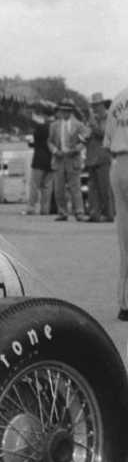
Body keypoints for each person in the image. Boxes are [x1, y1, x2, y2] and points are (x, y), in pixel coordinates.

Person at [103, 83, 128, 319]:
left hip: (120, 164)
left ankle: (125, 303)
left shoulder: (118, 99)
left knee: (125, 236)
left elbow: (108, 142)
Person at [48, 99, 87, 221]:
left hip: (72, 158)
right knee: (59, 188)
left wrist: (75, 150)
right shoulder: (54, 125)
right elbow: (49, 142)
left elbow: (84, 141)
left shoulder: (79, 125)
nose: (64, 113)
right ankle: (62, 212)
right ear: (59, 111)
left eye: (67, 111)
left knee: (75, 187)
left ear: (71, 111)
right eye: (62, 111)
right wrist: (55, 151)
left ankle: (79, 212)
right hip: (59, 158)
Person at [84, 92, 114, 222]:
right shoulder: (92, 119)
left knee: (105, 188)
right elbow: (85, 137)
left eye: (96, 105)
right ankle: (94, 214)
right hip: (91, 157)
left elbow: (104, 134)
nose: (94, 108)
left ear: (102, 105)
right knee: (92, 189)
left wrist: (93, 125)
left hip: (103, 157)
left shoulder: (109, 118)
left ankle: (109, 214)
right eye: (93, 105)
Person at [24, 113, 52, 215]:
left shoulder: (39, 129)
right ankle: (45, 209)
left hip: (39, 161)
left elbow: (35, 142)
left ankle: (31, 208)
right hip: (50, 161)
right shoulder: (53, 128)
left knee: (35, 185)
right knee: (47, 187)